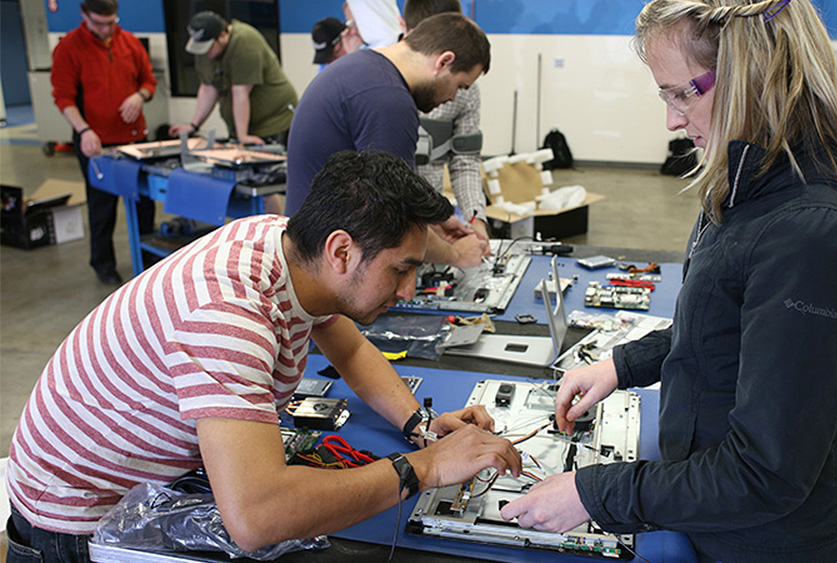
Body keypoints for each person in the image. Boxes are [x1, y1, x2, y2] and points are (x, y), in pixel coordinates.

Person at [499, 1, 837, 562]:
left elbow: (764, 473)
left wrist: (594, 492)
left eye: (683, 94)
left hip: (768, 542)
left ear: (757, 76)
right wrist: (621, 365)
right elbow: (722, 326)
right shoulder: (754, 172)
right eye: (665, 96)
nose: (672, 121)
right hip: (720, 515)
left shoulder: (814, 236)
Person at [5, 150, 522, 562]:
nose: (410, 290)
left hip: (132, 481)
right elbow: (257, 518)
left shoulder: (284, 246)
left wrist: (421, 426)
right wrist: (425, 469)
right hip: (72, 526)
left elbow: (348, 347)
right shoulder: (227, 315)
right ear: (341, 251)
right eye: (400, 270)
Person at [285, 12, 491, 267]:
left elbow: (397, 197)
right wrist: (456, 255)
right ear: (444, 62)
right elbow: (394, 218)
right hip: (325, 262)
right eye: (460, 86)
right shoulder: (390, 102)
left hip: (310, 247)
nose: (452, 98)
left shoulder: (363, 67)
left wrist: (436, 219)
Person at [51, 0, 156, 285]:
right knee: (101, 207)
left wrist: (139, 96)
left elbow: (149, 82)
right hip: (95, 142)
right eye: (99, 23)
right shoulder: (69, 47)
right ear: (84, 15)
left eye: (111, 22)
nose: (106, 29)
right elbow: (63, 97)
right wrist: (84, 130)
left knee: (144, 203)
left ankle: (149, 258)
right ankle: (103, 264)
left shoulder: (130, 43)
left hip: (133, 139)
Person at [404, 0, 490, 247]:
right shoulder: (380, 82)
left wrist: (475, 219)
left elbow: (465, 160)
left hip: (435, 222)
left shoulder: (465, 90)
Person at [168, 11, 297, 147]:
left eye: (209, 47)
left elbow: (240, 91)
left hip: (274, 121)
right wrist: (194, 125)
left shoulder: (244, 40)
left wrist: (242, 136)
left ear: (222, 36)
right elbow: (208, 88)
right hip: (244, 126)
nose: (205, 53)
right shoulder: (205, 49)